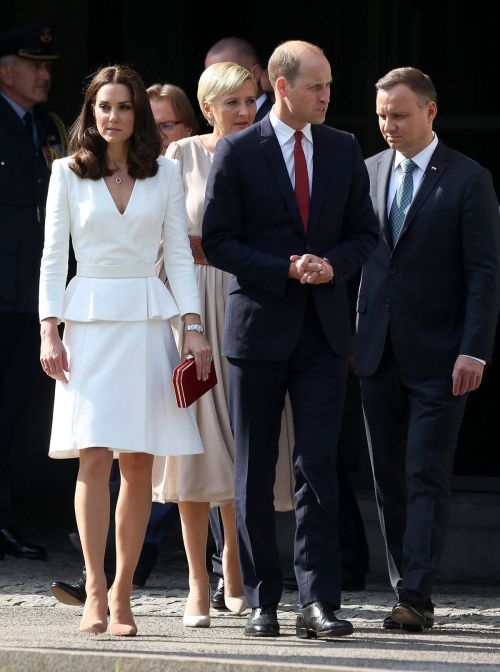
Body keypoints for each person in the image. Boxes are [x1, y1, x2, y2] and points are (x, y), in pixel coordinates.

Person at [202, 40, 378, 638]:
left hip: (324, 333)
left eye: (329, 86)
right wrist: (284, 267)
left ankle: (317, 602)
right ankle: (260, 599)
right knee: (253, 470)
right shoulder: (239, 151)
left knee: (318, 467)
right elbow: (219, 241)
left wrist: (333, 264)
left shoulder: (342, 147)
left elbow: (365, 234)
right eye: (317, 86)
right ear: (282, 86)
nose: (328, 96)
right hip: (258, 329)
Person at [39, 64, 211, 636]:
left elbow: (179, 256)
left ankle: (122, 594)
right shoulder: (66, 172)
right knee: (92, 457)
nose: (112, 117)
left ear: (139, 116)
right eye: (102, 106)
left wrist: (192, 325)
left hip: (145, 319)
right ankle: (91, 587)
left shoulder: (163, 173)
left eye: (124, 107)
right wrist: (49, 328)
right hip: (86, 322)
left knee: (137, 463)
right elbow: (52, 258)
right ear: (90, 113)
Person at [355, 67, 500, 631]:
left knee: (424, 473)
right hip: (375, 352)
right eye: (382, 116)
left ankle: (416, 593)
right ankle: (402, 584)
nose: (389, 125)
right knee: (387, 476)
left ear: (430, 111)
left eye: (400, 114)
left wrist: (475, 350)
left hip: (443, 355)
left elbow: (485, 274)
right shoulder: (365, 173)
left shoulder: (468, 179)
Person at [152, 61, 281, 626]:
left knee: (243, 437)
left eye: (250, 100)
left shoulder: (269, 153)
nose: (243, 111)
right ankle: (197, 582)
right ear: (206, 108)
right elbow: (162, 235)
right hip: (192, 306)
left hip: (249, 301)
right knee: (193, 444)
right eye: (231, 102)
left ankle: (235, 563)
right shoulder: (180, 157)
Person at [0, 22, 67, 562]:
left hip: (29, 291)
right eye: (34, 66)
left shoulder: (48, 126)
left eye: (47, 67)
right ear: (6, 71)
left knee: (15, 410)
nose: (45, 74)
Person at [204, 37, 272, 122]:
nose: (217, 86)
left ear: (254, 74)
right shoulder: (220, 123)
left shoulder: (276, 121)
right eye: (212, 80)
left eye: (225, 75)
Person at [147, 82, 199, 153]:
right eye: (150, 127)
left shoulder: (207, 163)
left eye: (167, 125)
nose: (158, 136)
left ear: (188, 130)